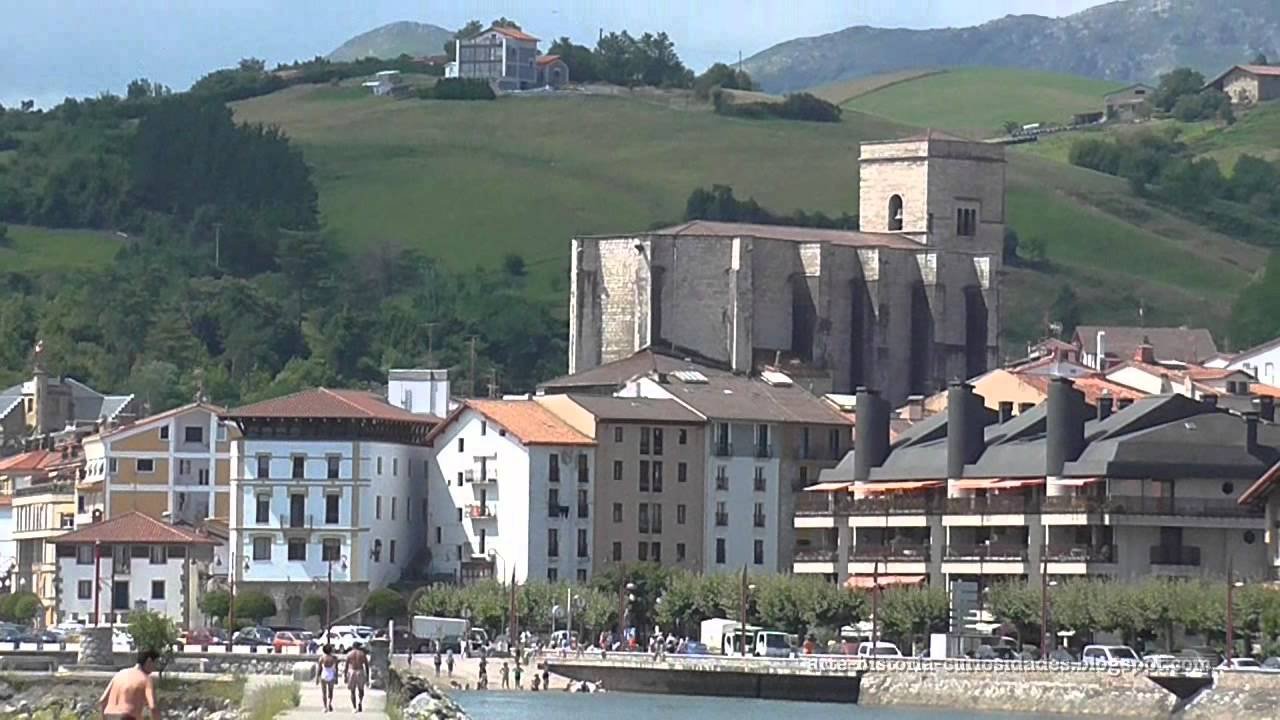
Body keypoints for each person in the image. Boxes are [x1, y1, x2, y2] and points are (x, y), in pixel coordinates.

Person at [99, 649, 160, 720]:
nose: (155, 667)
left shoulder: (119, 674)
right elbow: (153, 707)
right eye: (155, 663)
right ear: (149, 661)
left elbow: (102, 700)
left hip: (109, 716)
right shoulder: (145, 679)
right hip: (127, 717)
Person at [345, 641, 369, 712]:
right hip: (360, 671)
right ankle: (360, 702)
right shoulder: (362, 654)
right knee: (361, 689)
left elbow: (346, 666)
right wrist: (367, 676)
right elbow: (366, 665)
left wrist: (345, 676)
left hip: (352, 671)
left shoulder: (349, 654)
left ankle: (354, 707)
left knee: (352, 691)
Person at [317, 644, 339, 712]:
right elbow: (336, 669)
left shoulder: (322, 658)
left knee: (324, 692)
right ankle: (330, 703)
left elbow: (319, 669)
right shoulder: (334, 658)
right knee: (330, 692)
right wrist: (336, 678)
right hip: (331, 675)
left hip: (324, 675)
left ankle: (325, 707)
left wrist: (317, 678)